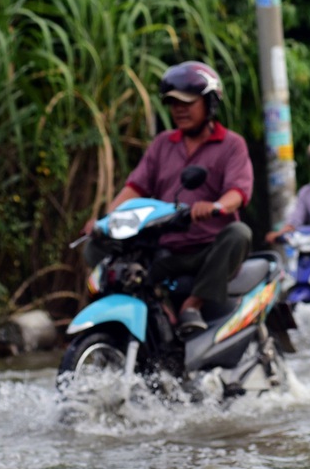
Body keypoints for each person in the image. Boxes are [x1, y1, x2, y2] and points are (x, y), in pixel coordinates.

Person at [83, 61, 253, 334]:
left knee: (239, 233)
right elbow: (135, 187)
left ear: (209, 103)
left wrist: (216, 207)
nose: (179, 110)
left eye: (187, 102)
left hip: (209, 249)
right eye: (174, 104)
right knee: (101, 249)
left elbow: (238, 192)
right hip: (167, 247)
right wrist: (106, 220)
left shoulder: (232, 144)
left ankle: (192, 305)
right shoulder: (163, 143)